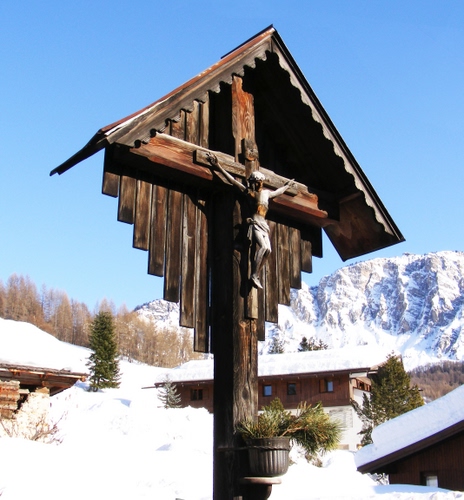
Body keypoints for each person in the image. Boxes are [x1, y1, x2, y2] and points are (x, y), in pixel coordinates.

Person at [207, 153, 294, 289]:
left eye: (260, 182)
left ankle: (256, 274)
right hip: (255, 223)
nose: (259, 184)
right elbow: (233, 181)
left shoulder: (266, 194)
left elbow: (278, 192)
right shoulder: (249, 193)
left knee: (268, 250)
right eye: (257, 182)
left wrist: (287, 186)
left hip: (263, 224)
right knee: (263, 247)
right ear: (253, 182)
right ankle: (254, 274)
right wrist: (218, 166)